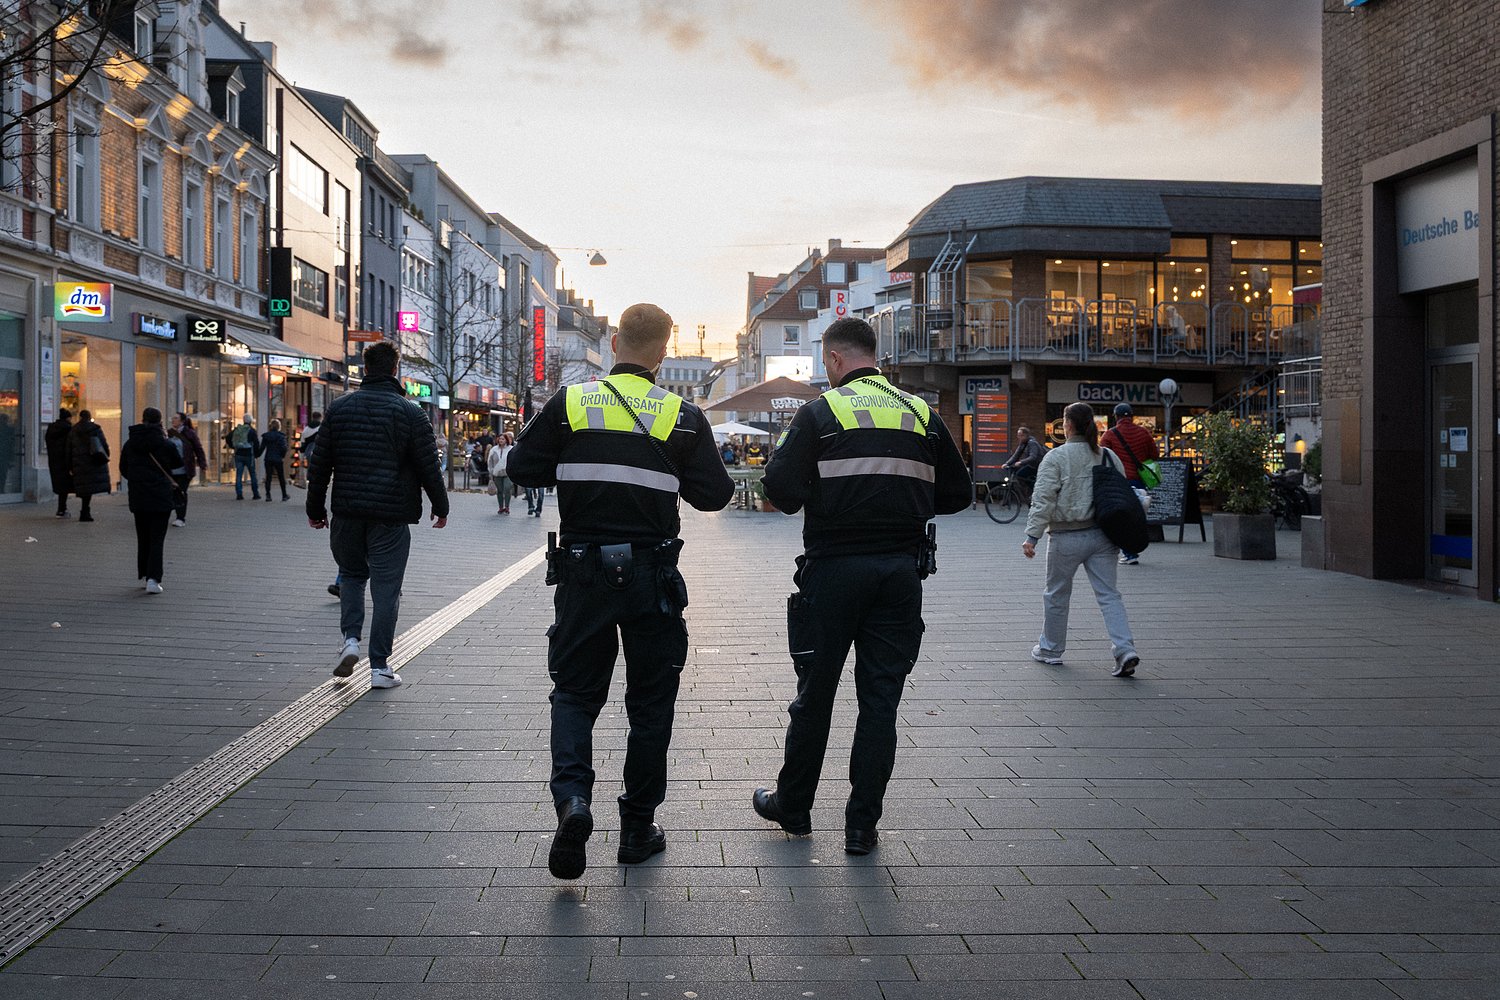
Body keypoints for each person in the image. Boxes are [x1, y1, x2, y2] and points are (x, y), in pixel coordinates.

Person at [508, 302, 734, 881]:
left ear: (611, 342)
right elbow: (714, 496)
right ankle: (636, 829)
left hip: (583, 573)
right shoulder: (682, 416)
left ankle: (573, 804)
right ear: (663, 350)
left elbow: (521, 468)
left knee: (576, 693)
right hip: (652, 577)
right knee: (650, 703)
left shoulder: (572, 403)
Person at [751, 317, 972, 856]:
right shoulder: (922, 413)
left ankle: (795, 806)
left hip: (832, 572)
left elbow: (778, 488)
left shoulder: (820, 413)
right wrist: (906, 504)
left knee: (815, 695)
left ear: (833, 360)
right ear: (875, 355)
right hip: (900, 573)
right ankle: (861, 826)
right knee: (879, 703)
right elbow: (960, 494)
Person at [306, 341, 448, 690]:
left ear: (365, 369)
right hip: (391, 515)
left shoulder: (339, 409)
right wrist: (440, 506)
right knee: (387, 589)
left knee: (352, 576)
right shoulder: (411, 413)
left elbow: (319, 463)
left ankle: (350, 641)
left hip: (347, 512)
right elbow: (428, 465)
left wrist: (315, 508)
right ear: (395, 369)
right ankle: (379, 667)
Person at [1022, 401, 1141, 678]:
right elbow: (1121, 496)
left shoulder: (1056, 457)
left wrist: (1032, 536)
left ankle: (1050, 650)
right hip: (1103, 536)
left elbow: (1043, 500)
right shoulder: (1108, 456)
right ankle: (1125, 649)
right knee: (1109, 595)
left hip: (1065, 537)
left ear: (1068, 425)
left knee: (1056, 594)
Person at [118, 408, 182, 594]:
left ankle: (145, 574)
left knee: (143, 537)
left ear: (143, 420)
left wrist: (138, 479)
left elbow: (123, 468)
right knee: (157, 539)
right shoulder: (165, 443)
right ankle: (153, 579)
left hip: (139, 496)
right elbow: (178, 463)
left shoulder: (131, 443)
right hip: (160, 497)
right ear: (160, 422)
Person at [1099, 402, 1159, 565]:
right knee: (1136, 517)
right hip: (1139, 480)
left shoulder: (1110, 435)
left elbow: (1101, 456)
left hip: (1119, 481)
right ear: (1132, 416)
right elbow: (1154, 454)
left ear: (1116, 417)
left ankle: (1129, 552)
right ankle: (1132, 550)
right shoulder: (1144, 433)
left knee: (1122, 518)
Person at [302, 412, 341, 597]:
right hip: (389, 505)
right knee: (383, 553)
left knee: (352, 554)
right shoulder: (402, 414)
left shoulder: (336, 420)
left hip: (348, 506)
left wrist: (315, 511)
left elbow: (320, 471)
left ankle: (342, 584)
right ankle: (392, 587)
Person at [68, 409, 111, 522]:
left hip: (79, 463)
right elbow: (104, 445)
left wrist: (70, 464)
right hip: (93, 462)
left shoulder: (74, 430)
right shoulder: (95, 429)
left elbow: (68, 449)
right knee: (89, 487)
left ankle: (84, 510)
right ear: (89, 417)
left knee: (84, 486)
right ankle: (85, 511)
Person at [1000, 426, 1045, 498]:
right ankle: (1030, 494)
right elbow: (1016, 455)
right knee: (1019, 475)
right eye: (1018, 435)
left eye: (1020, 435)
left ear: (1025, 435)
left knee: (1021, 475)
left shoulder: (1032, 443)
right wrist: (1007, 463)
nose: (1018, 437)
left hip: (1038, 466)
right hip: (1031, 465)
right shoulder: (1023, 444)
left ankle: (1034, 492)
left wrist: (1021, 462)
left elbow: (1033, 457)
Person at [45, 408, 73, 517]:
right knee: (65, 486)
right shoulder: (69, 429)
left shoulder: (51, 429)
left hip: (54, 461)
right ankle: (62, 509)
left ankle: (61, 508)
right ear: (68, 418)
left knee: (60, 485)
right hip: (65, 461)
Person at [226, 415, 261, 500]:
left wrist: (233, 447)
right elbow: (256, 444)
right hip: (249, 455)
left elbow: (228, 437)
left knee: (239, 475)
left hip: (239, 455)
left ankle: (239, 494)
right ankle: (255, 494)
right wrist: (257, 454)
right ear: (250, 421)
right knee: (252, 474)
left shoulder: (237, 429)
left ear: (243, 420)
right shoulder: (252, 431)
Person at [261, 419, 290, 502]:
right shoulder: (281, 436)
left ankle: (268, 495)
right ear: (279, 427)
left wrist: (257, 454)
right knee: (281, 477)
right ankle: (284, 495)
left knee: (268, 477)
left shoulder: (266, 436)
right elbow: (284, 448)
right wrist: (282, 456)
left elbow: (262, 448)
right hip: (278, 459)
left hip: (268, 458)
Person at [487, 431, 513, 514]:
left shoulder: (510, 449)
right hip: (497, 473)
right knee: (500, 490)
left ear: (506, 440)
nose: (501, 440)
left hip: (507, 473)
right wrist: (491, 471)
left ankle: (507, 506)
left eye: (503, 439)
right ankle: (501, 507)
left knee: (507, 488)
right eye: (500, 439)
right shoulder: (494, 450)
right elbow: (490, 461)